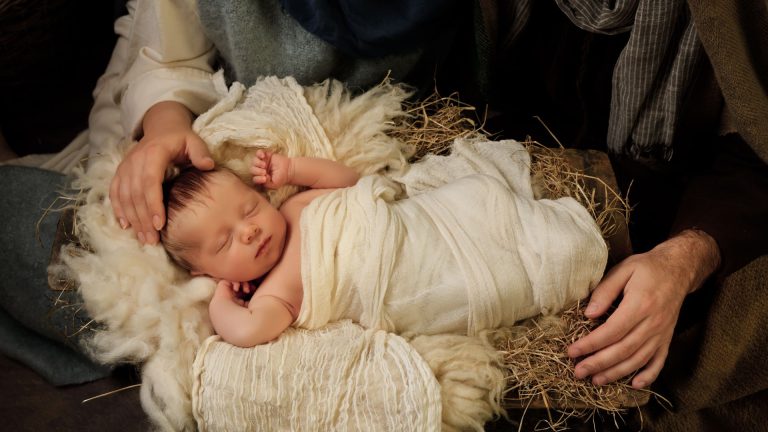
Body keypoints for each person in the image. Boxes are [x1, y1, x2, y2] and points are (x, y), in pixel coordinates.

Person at [160, 144, 608, 348]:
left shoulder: (296, 207)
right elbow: (246, 331)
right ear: (207, 272)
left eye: (250, 209)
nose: (249, 231)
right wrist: (221, 300)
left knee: (477, 196)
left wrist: (294, 169)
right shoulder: (276, 294)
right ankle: (555, 251)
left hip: (416, 224)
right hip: (412, 277)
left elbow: (351, 183)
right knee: (484, 279)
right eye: (225, 242)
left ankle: (513, 217)